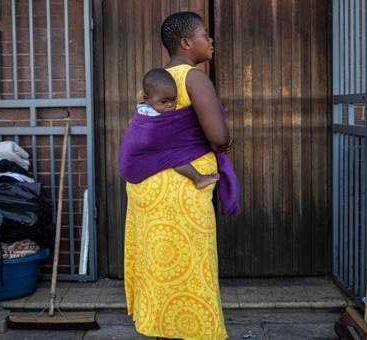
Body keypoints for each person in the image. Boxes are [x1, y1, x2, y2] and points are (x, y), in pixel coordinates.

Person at [119, 11, 240, 340]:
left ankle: (163, 332)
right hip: (180, 192)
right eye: (204, 34)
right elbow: (217, 137)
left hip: (148, 189)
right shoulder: (193, 78)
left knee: (161, 270)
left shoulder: (156, 81)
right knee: (190, 271)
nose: (210, 39)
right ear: (186, 42)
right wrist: (228, 142)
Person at [137, 67, 220, 189]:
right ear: (147, 100)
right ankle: (198, 178)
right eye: (164, 102)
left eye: (173, 100)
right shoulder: (148, 115)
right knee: (175, 157)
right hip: (150, 150)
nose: (170, 105)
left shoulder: (148, 108)